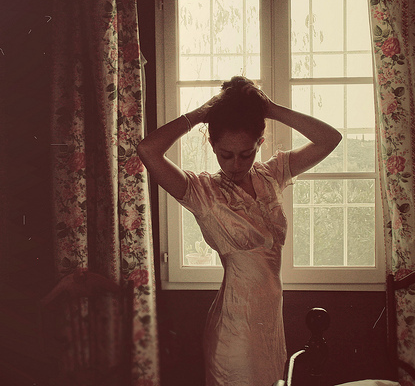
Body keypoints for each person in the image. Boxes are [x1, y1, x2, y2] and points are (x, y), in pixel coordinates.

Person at [137, 76, 342, 386]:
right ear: (212, 146)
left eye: (246, 154)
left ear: (260, 143)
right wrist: (200, 114)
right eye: (225, 154)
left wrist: (271, 109)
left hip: (269, 324)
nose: (235, 164)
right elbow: (147, 149)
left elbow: (330, 138)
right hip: (234, 329)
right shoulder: (202, 192)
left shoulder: (271, 174)